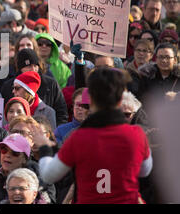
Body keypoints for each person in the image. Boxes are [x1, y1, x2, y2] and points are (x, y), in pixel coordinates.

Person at [32, 68, 152, 204]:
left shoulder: (78, 138)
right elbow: (145, 171)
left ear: (92, 100)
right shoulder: (137, 135)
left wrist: (44, 147)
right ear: (120, 99)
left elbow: (49, 174)